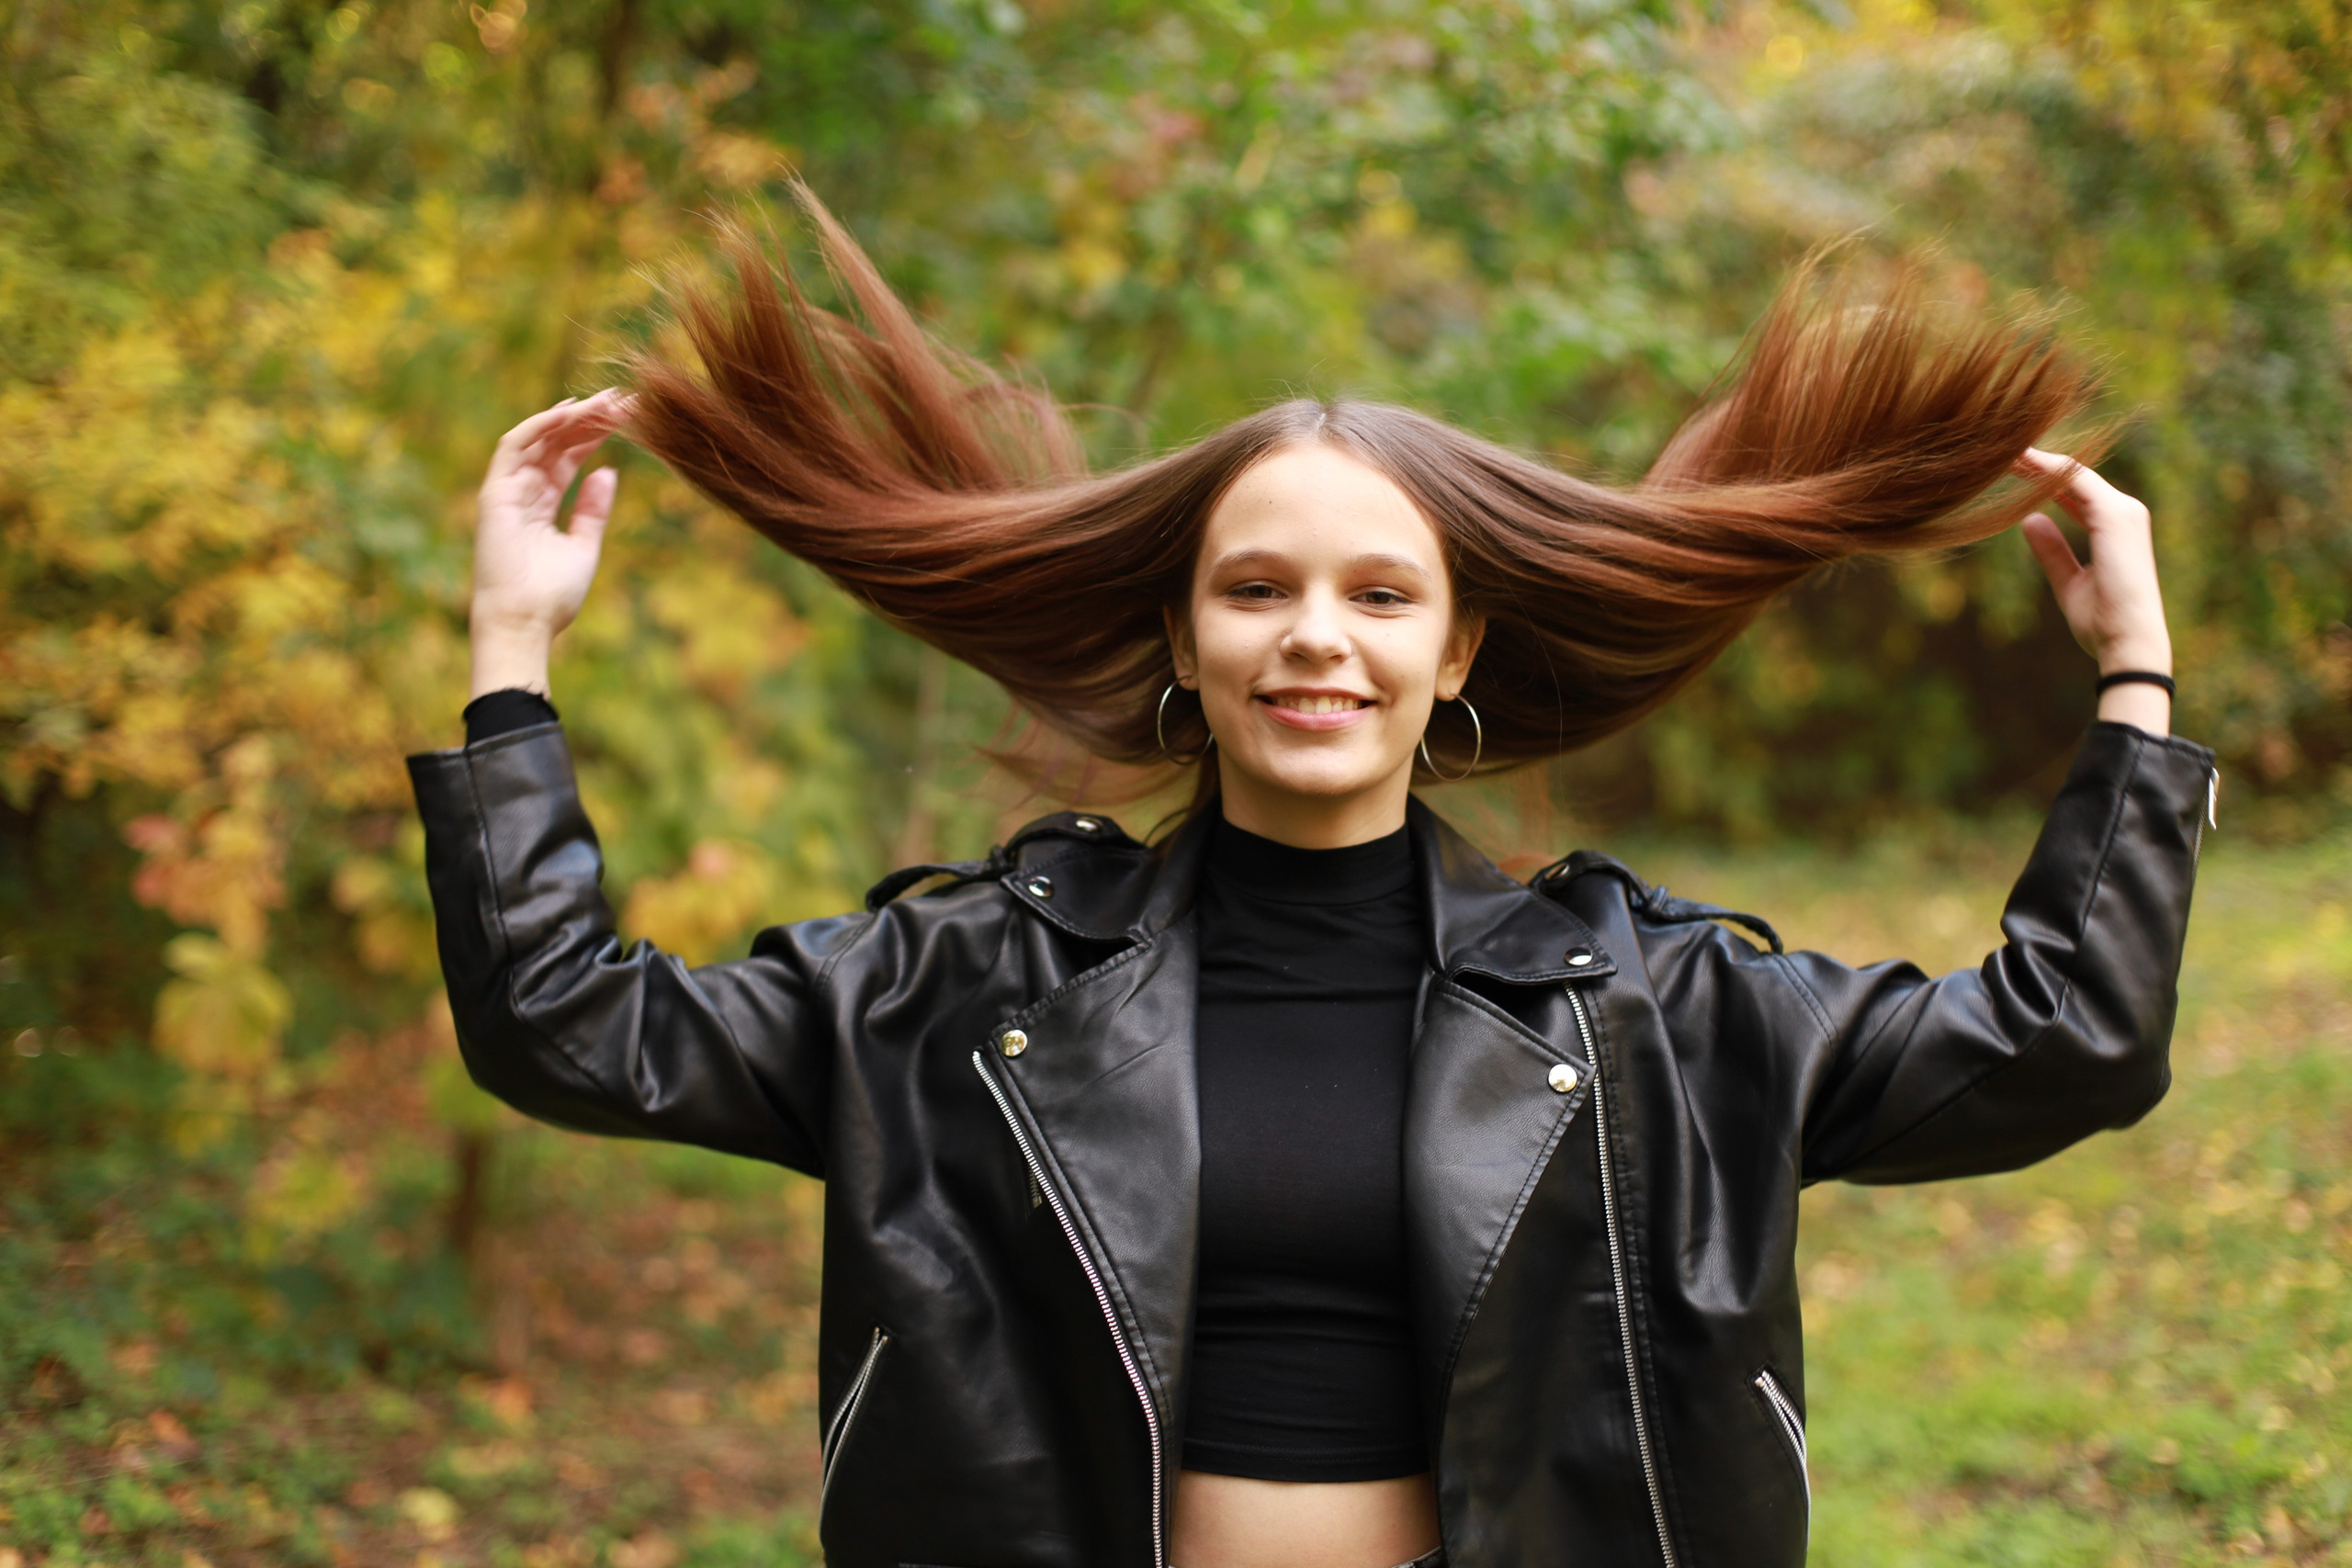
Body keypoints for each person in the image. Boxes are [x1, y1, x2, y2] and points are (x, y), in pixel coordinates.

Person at [410, 188, 2214, 1568]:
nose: (1313, 640)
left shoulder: (1644, 1003)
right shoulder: (959, 991)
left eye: (1378, 594)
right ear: (1179, 645)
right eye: (1254, 588)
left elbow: (2063, 1040)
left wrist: (2131, 690)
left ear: (1454, 649)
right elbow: (566, 1027)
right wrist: (510, 651)